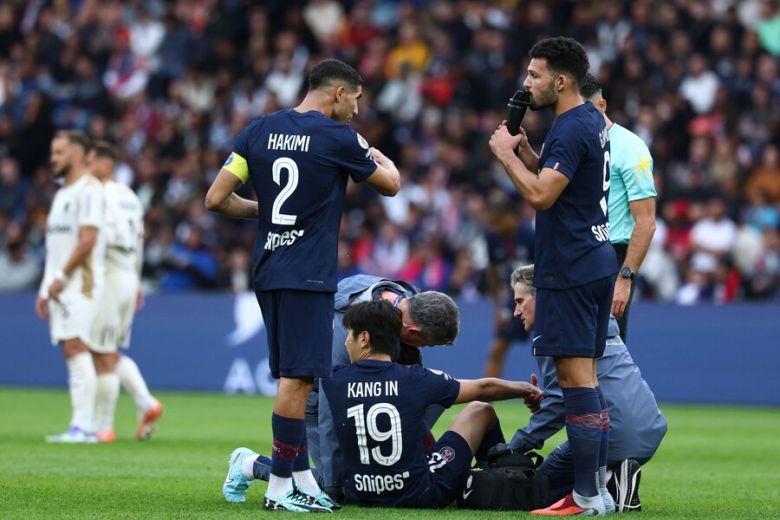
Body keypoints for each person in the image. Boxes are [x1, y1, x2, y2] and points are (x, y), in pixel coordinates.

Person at [206, 59, 400, 512]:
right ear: (338, 93)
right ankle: (279, 488)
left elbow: (215, 198)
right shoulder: (339, 137)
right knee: (297, 381)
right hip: (308, 274)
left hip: (270, 268)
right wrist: (379, 156)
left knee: (298, 378)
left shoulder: (258, 130)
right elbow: (390, 185)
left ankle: (303, 479)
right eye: (356, 99)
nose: (356, 110)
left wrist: (268, 212)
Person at [226, 300, 541, 509]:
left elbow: (293, 395)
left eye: (349, 335)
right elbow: (484, 388)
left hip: (357, 492)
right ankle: (495, 479)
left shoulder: (334, 380)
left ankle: (253, 464)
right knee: (479, 410)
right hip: (421, 494)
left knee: (321, 478)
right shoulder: (416, 379)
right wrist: (524, 388)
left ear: (364, 339)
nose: (345, 342)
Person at [488, 37, 618, 516]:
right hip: (595, 259)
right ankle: (598, 491)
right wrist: (528, 155)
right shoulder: (590, 120)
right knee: (588, 380)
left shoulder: (568, 128)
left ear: (561, 81)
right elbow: (563, 186)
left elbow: (542, 197)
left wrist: (505, 155)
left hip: (569, 267)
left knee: (574, 378)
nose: (527, 84)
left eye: (534, 74)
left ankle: (585, 495)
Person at [502, 264, 667, 512]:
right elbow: (586, 390)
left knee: (538, 489)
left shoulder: (554, 330)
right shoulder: (595, 319)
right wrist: (548, 402)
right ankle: (615, 475)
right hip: (651, 428)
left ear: (543, 296)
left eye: (520, 301)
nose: (516, 312)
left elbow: (559, 404)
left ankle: (611, 483)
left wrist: (515, 446)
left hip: (614, 435)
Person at [314, 274, 460, 499]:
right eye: (427, 344)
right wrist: (332, 486)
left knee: (432, 392)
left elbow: (421, 397)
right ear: (412, 332)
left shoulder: (412, 304)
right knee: (337, 483)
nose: (424, 349)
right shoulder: (349, 335)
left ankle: (406, 454)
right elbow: (328, 414)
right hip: (315, 390)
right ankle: (259, 465)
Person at [88, 141, 163, 443]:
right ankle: (146, 402)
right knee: (109, 350)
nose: (87, 167)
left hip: (109, 275)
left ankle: (104, 427)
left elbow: (109, 235)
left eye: (91, 161)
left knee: (101, 352)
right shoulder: (130, 196)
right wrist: (136, 280)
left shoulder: (100, 195)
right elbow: (139, 241)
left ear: (106, 164)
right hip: (128, 277)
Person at [35, 130, 105, 443]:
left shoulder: (89, 190)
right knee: (71, 349)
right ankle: (83, 425)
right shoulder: (63, 192)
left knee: (76, 347)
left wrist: (60, 279)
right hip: (61, 286)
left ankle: (84, 426)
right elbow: (57, 248)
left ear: (77, 154)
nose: (53, 158)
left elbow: (87, 241)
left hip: (81, 284)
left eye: (59, 152)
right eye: (52, 152)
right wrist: (45, 288)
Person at [580, 73, 657, 343]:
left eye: (586, 111)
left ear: (602, 106)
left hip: (612, 257)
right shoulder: (572, 142)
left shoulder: (631, 148)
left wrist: (625, 278)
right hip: (576, 253)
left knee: (606, 350)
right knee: (571, 351)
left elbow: (646, 222)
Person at [482, 192, 535, 378]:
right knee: (496, 349)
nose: (494, 227)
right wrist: (497, 308)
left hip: (536, 299)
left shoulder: (530, 236)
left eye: (497, 222)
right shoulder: (492, 237)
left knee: (549, 347)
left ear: (510, 216)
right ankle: (488, 395)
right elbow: (493, 272)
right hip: (512, 300)